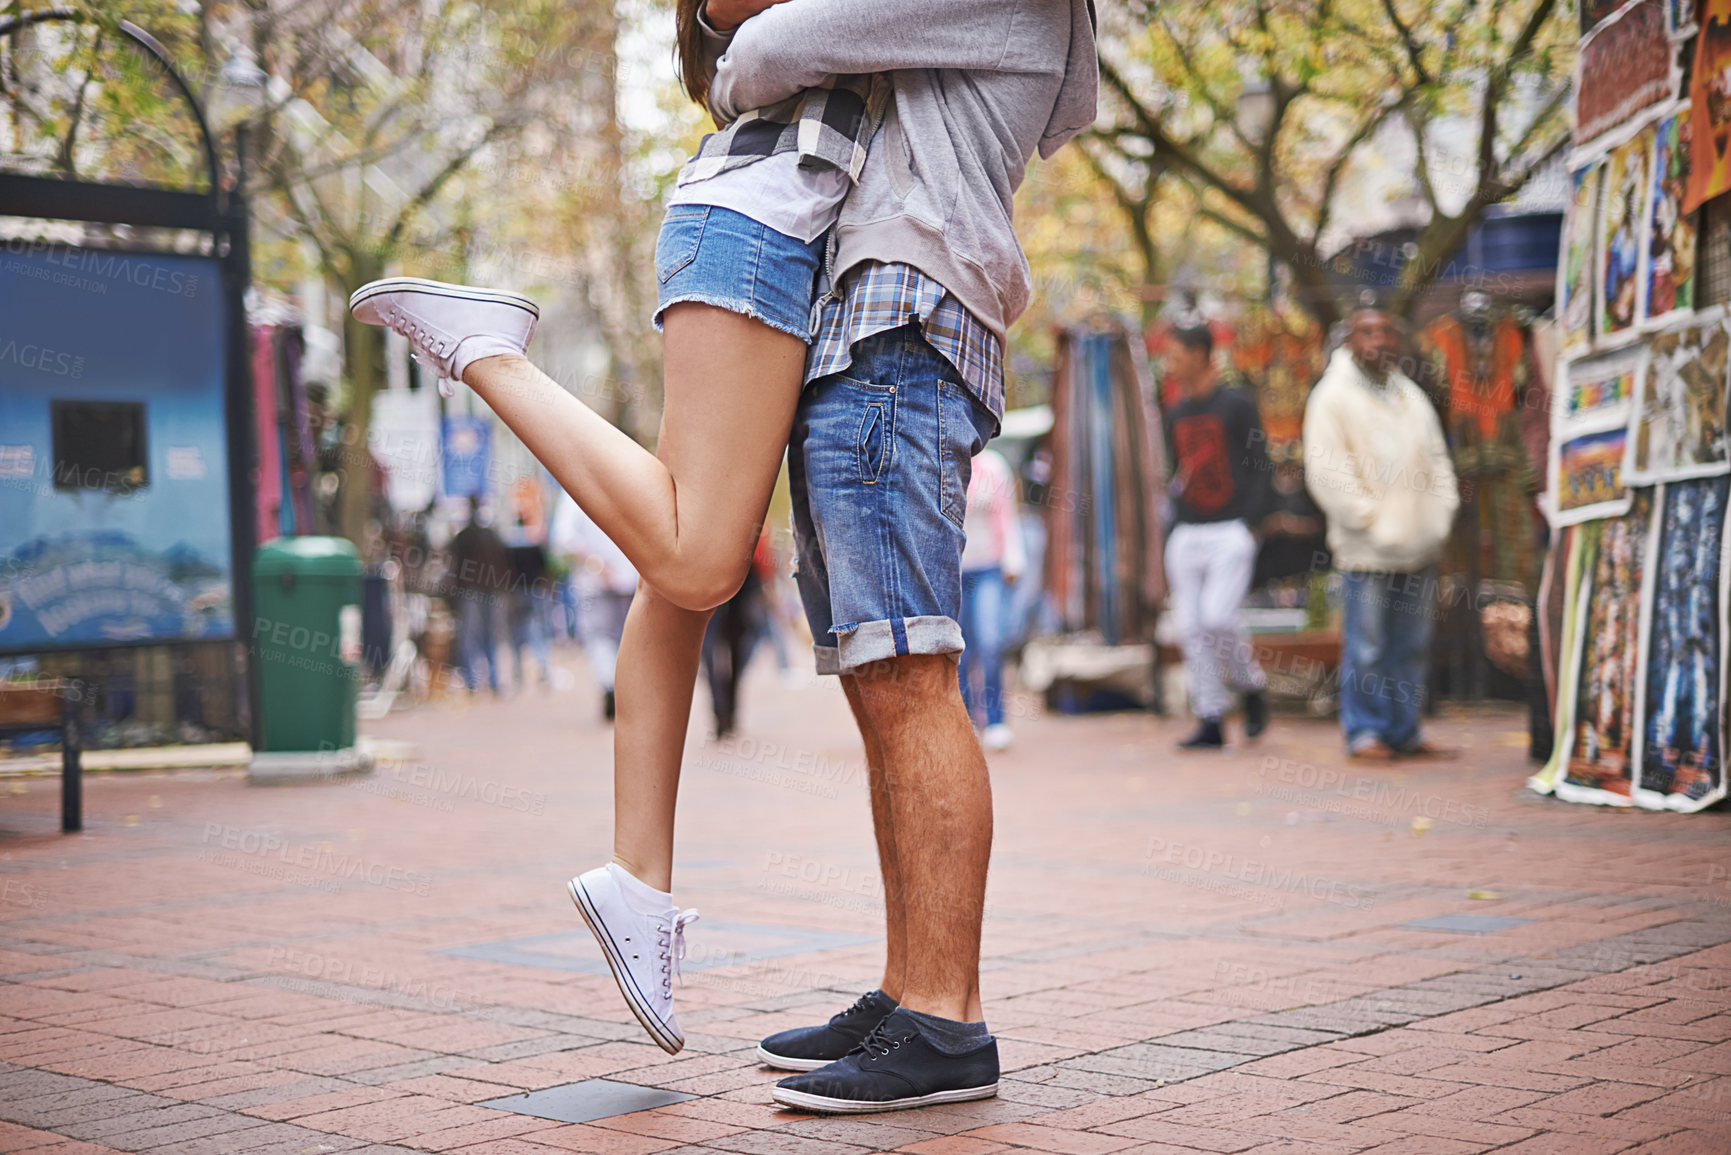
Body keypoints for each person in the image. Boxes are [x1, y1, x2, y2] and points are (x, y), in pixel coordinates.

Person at [351, 0, 1097, 1114]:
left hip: (903, 323)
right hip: (865, 323)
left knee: (908, 677)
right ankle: (913, 994)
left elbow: (763, 52)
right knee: (880, 684)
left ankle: (944, 1019)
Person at [1303, 304, 1461, 762]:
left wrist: (1439, 517)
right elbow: (1327, 470)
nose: (1379, 341)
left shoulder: (1410, 395)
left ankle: (1404, 729)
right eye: (1367, 332)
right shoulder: (1331, 396)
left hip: (1420, 543)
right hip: (1365, 549)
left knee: (1411, 645)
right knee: (1368, 647)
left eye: (1386, 332)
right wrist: (1368, 519)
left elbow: (1437, 462)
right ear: (1350, 340)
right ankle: (1365, 732)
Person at [1161, 325, 1272, 750]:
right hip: (1188, 531)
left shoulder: (1238, 404)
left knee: (1218, 618)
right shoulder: (1174, 412)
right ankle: (1210, 717)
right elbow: (1175, 473)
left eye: (1174, 354)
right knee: (1190, 627)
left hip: (1231, 528)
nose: (1168, 363)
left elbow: (1260, 463)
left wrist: (1251, 523)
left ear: (1199, 354)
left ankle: (1251, 687)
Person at [958, 447, 1026, 751]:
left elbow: (1008, 516)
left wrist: (1014, 561)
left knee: (990, 641)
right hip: (954, 571)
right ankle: (964, 719)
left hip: (989, 568)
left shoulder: (994, 467)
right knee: (959, 648)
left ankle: (996, 720)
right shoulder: (941, 462)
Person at [447, 497, 510, 696]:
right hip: (484, 590)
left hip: (474, 590)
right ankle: (487, 680)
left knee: (473, 635)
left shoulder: (466, 536)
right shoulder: (489, 535)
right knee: (484, 635)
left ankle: (477, 680)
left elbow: (454, 564)